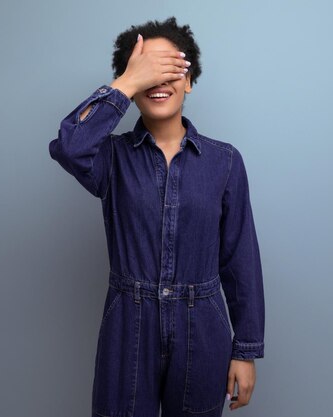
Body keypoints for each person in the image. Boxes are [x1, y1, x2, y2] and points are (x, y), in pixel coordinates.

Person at [49, 16, 265, 417]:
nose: (159, 81)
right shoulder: (111, 158)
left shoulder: (225, 162)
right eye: (147, 71)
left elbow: (241, 260)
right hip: (128, 321)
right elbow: (69, 146)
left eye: (171, 70)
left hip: (202, 324)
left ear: (190, 81)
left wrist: (246, 350)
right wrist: (127, 83)